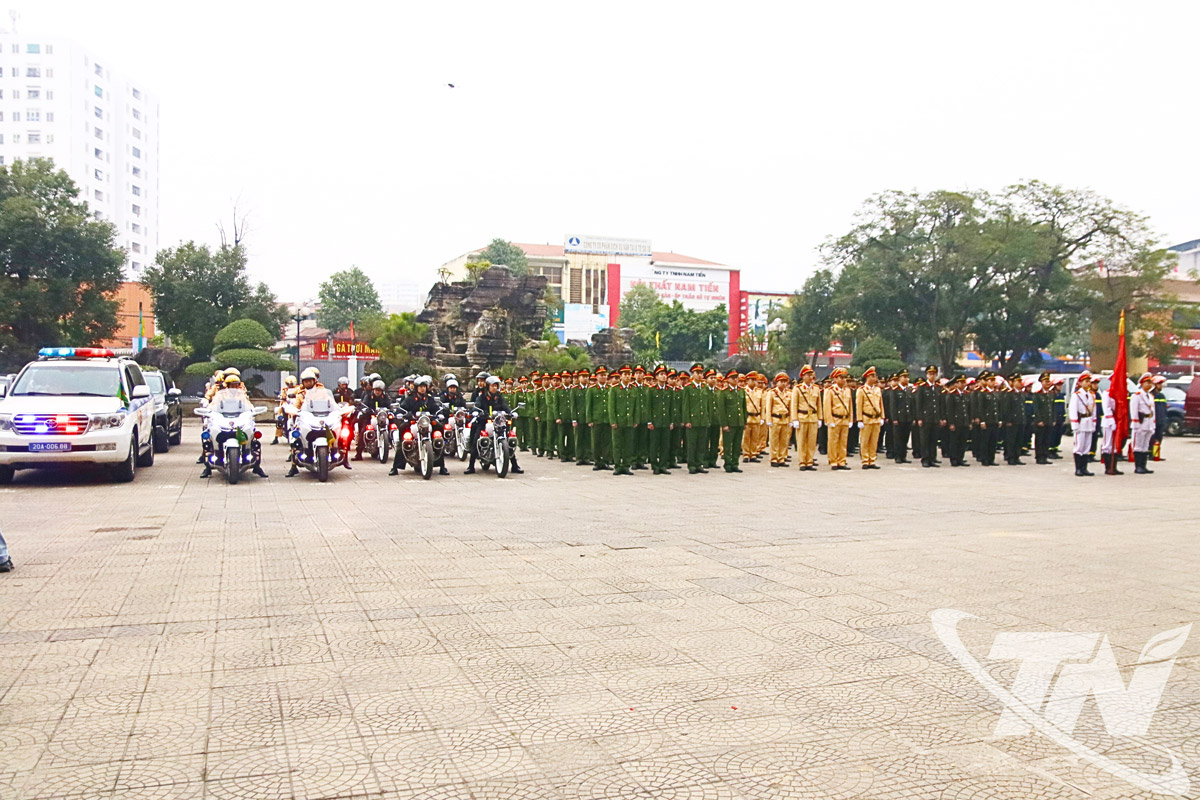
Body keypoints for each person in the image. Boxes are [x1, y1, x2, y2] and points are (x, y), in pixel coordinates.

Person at [201, 373, 269, 479]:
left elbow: (248, 405)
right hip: (224, 420)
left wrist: (252, 411)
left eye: (236, 385)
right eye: (232, 385)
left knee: (254, 441)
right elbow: (213, 404)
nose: (234, 387)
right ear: (227, 385)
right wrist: (208, 411)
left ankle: (256, 466)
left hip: (238, 421)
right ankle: (208, 467)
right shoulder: (220, 395)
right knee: (208, 438)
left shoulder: (241, 395)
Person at [390, 375, 448, 476]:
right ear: (416, 388)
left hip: (427, 422)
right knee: (403, 432)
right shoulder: (410, 399)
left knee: (439, 432)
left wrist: (439, 413)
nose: (422, 388)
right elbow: (402, 409)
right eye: (420, 387)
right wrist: (405, 414)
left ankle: (442, 466)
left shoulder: (429, 399)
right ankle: (395, 467)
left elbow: (436, 408)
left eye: (424, 386)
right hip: (413, 422)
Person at [608, 365, 640, 476]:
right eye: (625, 374)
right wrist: (613, 421)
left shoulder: (634, 389)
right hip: (618, 421)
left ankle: (626, 465)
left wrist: (636, 419)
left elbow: (636, 406)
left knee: (628, 445)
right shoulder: (614, 389)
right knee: (617, 444)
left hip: (629, 421)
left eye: (629, 374)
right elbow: (611, 407)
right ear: (620, 376)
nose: (627, 376)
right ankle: (617, 466)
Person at [681, 364, 711, 474]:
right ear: (692, 374)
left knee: (701, 444)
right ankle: (691, 465)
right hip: (693, 420)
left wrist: (708, 418)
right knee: (692, 444)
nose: (699, 375)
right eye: (697, 373)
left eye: (701, 373)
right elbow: (685, 406)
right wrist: (687, 420)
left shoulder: (704, 387)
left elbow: (707, 405)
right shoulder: (688, 388)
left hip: (703, 420)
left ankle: (699, 464)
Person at [790, 365, 821, 471]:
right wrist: (794, 419)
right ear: (803, 376)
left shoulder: (816, 388)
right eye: (808, 375)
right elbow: (794, 404)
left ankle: (809, 461)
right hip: (802, 417)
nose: (810, 377)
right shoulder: (797, 388)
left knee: (812, 442)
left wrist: (820, 418)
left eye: (811, 375)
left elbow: (819, 405)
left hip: (813, 417)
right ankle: (802, 462)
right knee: (801, 441)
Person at [1068, 371, 1097, 477]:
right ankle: (1078, 468)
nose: (1088, 383)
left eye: (1089, 381)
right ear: (1080, 383)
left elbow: (1094, 411)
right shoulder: (1077, 395)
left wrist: (1094, 422)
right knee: (1079, 446)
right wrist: (1075, 425)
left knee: (1087, 446)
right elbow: (1073, 410)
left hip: (1089, 422)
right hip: (1081, 423)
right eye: (1086, 381)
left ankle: (1084, 468)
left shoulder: (1091, 395)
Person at [823, 367, 853, 470]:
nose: (844, 380)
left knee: (843, 442)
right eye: (841, 377)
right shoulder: (830, 391)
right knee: (833, 441)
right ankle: (833, 461)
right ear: (835, 379)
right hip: (835, 418)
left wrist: (850, 419)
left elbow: (850, 406)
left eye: (845, 377)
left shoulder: (847, 390)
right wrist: (829, 420)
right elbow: (827, 406)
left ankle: (842, 461)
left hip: (845, 419)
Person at [354, 380, 391, 460]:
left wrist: (391, 409)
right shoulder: (368, 396)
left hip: (382, 417)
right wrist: (366, 409)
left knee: (393, 424)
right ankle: (358, 453)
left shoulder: (386, 397)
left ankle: (392, 440)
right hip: (370, 417)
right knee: (363, 430)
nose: (377, 392)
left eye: (379, 390)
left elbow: (390, 405)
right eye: (376, 390)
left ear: (382, 391)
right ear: (373, 390)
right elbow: (363, 404)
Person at [856, 367, 884, 469]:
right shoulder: (861, 390)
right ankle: (865, 460)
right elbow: (859, 405)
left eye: (875, 376)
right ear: (867, 377)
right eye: (873, 376)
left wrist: (882, 417)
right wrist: (859, 419)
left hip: (876, 418)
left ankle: (872, 460)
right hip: (866, 418)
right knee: (865, 441)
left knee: (874, 441)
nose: (875, 378)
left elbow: (880, 404)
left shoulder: (877, 389)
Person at [915, 366, 943, 468]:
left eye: (934, 374)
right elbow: (919, 404)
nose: (932, 376)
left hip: (935, 417)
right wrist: (920, 418)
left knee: (933, 439)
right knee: (925, 440)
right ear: (927, 375)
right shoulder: (922, 387)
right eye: (930, 374)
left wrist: (941, 417)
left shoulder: (938, 387)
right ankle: (925, 459)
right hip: (926, 417)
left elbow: (940, 404)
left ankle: (932, 458)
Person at [586, 366, 613, 471]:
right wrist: (589, 419)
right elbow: (589, 406)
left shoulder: (610, 388)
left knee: (607, 442)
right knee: (596, 441)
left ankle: (606, 461)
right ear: (597, 377)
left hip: (607, 419)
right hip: (596, 419)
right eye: (601, 375)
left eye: (605, 375)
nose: (603, 377)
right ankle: (597, 461)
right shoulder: (592, 389)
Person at [763, 371, 792, 467]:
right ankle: (774, 458)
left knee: (784, 440)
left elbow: (790, 408)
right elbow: (768, 407)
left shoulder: (789, 393)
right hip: (775, 418)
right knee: (774, 440)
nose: (783, 383)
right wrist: (768, 420)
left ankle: (781, 458)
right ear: (777, 382)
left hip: (785, 419)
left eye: (785, 381)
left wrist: (791, 420)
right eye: (781, 381)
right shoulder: (772, 393)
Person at [1130, 372, 1157, 475]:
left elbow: (1153, 411)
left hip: (1148, 422)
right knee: (1138, 445)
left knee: (1145, 445)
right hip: (1140, 423)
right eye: (1147, 382)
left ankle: (1143, 466)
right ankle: (1138, 466)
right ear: (1141, 383)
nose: (1149, 384)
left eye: (1150, 382)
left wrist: (1153, 424)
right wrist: (1135, 424)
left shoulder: (1150, 396)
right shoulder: (1137, 396)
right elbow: (1134, 410)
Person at [890, 370, 914, 464]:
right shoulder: (895, 390)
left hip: (907, 418)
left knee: (905, 438)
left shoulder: (908, 390)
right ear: (899, 378)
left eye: (907, 377)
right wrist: (894, 418)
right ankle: (898, 456)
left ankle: (903, 456)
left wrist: (912, 417)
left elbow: (910, 405)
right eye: (904, 377)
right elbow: (893, 406)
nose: (906, 379)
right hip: (899, 418)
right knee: (898, 438)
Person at [1031, 372, 1055, 465]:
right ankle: (1039, 456)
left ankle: (1045, 455)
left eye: (1048, 381)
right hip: (1041, 421)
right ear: (1041, 382)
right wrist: (1039, 420)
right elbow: (1036, 409)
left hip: (1049, 420)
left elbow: (1053, 408)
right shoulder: (1037, 395)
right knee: (1040, 439)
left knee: (1047, 439)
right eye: (1045, 381)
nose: (1048, 383)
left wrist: (1053, 419)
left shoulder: (1051, 394)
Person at [273, 375, 297, 444]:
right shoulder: (285, 389)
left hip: (294, 405)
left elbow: (301, 393)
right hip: (286, 405)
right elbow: (282, 395)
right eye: (288, 384)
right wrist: (282, 396)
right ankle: (276, 438)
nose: (290, 385)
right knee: (279, 419)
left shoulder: (298, 388)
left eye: (291, 383)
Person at [1152, 375, 1168, 461]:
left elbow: (1164, 409)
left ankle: (1156, 454)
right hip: (1153, 421)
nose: (1161, 386)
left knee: (1159, 438)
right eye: (1159, 384)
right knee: (1152, 438)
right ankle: (1150, 454)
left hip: (1161, 421)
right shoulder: (1151, 395)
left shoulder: (1162, 396)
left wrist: (1165, 419)